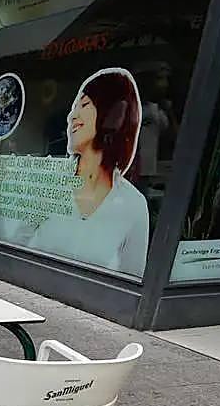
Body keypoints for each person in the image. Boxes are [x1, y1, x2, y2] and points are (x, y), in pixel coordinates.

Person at [28, 69, 149, 276]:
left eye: (83, 105)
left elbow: (131, 278)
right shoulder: (49, 180)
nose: (72, 116)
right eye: (74, 107)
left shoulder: (133, 205)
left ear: (112, 115)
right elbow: (8, 239)